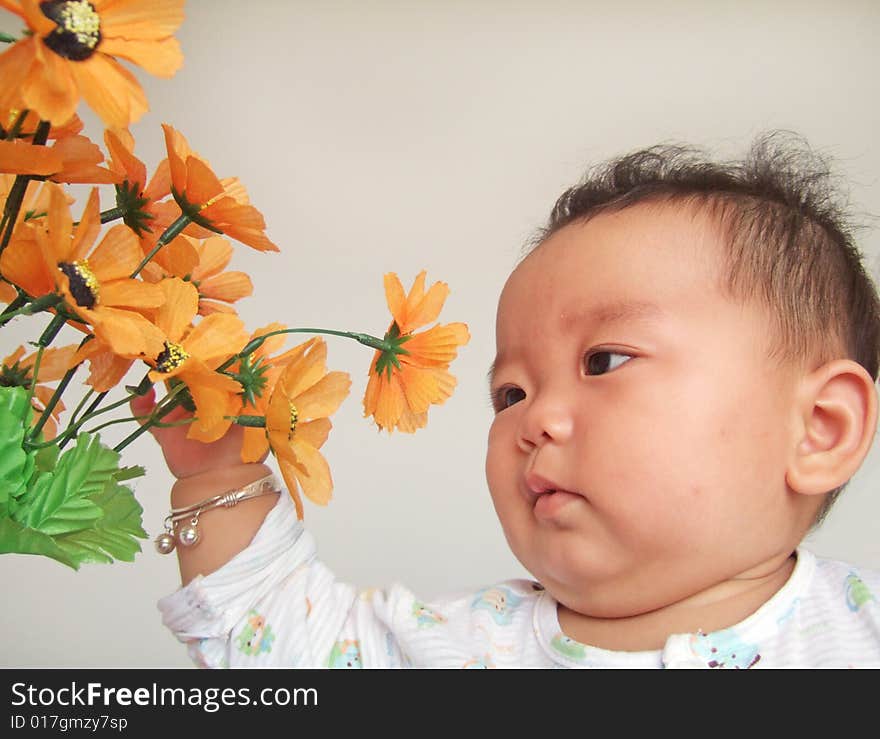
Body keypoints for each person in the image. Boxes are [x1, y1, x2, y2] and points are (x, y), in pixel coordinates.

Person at [145, 132, 880, 668]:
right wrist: (214, 473)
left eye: (604, 359)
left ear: (818, 428)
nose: (534, 418)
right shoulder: (453, 650)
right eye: (510, 392)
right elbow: (272, 634)